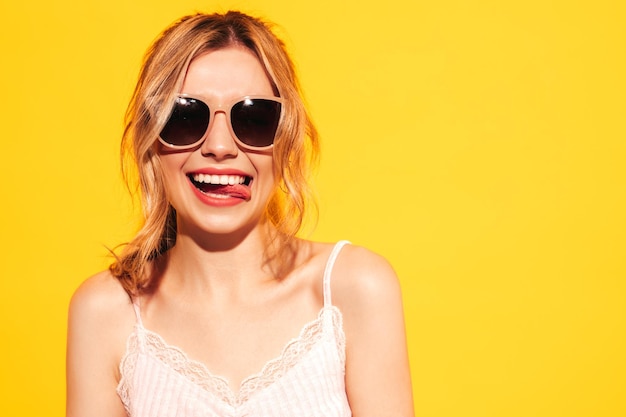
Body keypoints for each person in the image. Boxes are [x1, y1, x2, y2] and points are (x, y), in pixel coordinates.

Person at [66, 10, 414, 417]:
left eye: (253, 118)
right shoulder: (106, 313)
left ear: (286, 138)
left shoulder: (354, 289)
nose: (218, 145)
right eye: (184, 116)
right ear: (150, 141)